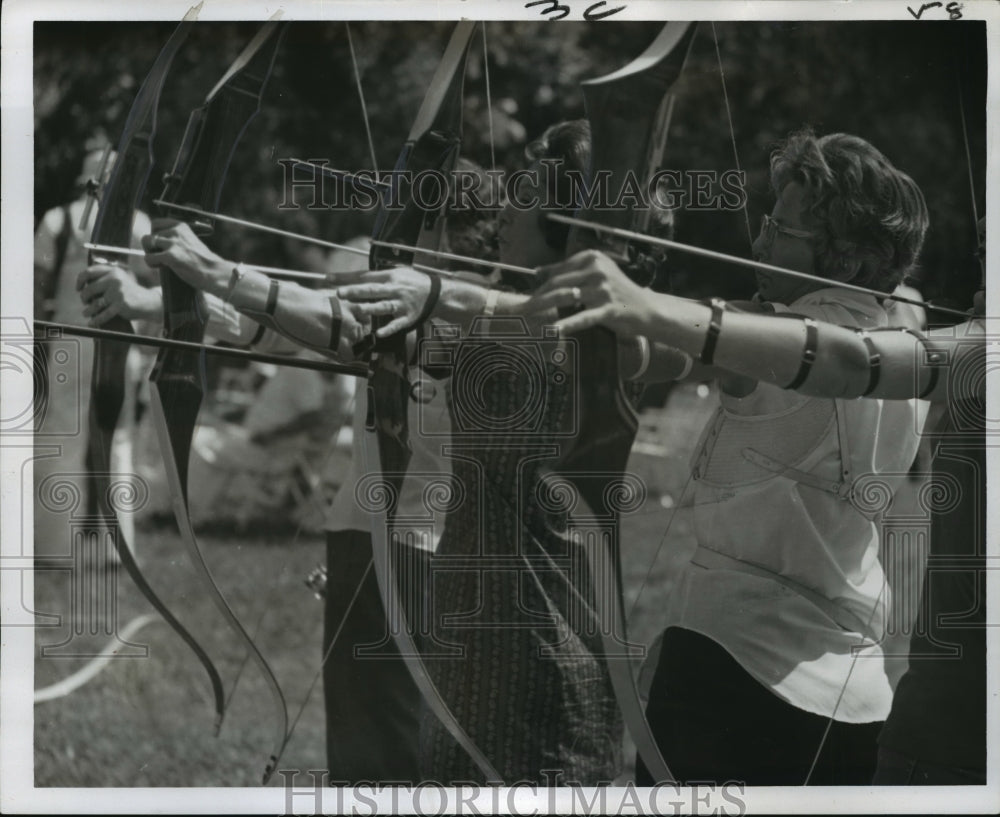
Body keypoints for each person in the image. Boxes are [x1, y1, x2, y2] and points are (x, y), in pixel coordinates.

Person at [524, 130, 937, 785]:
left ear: (852, 262)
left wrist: (610, 311)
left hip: (730, 671)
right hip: (856, 696)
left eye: (782, 226)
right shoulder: (910, 355)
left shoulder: (770, 341)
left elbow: (668, 345)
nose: (761, 240)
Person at [34, 142, 154, 562]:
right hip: (117, 343)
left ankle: (56, 547)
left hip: (74, 340)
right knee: (116, 437)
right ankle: (113, 549)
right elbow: (155, 282)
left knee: (63, 434)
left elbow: (37, 280)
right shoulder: (138, 223)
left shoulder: (57, 219)